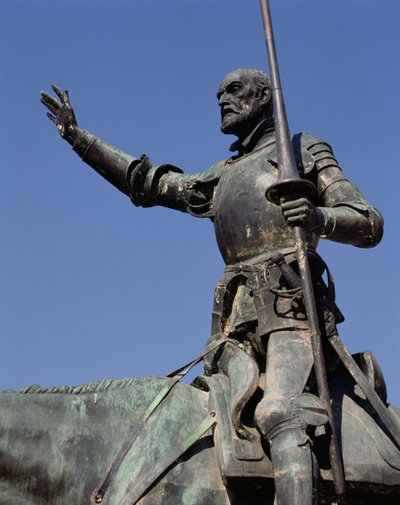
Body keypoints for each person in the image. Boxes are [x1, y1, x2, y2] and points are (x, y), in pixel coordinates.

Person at [41, 69, 383, 505]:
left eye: (234, 91)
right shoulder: (225, 174)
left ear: (265, 97)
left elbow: (368, 221)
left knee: (282, 412)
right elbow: (151, 184)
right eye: (219, 94)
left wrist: (320, 218)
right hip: (235, 325)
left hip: (292, 316)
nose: (222, 99)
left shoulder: (301, 150)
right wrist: (79, 139)